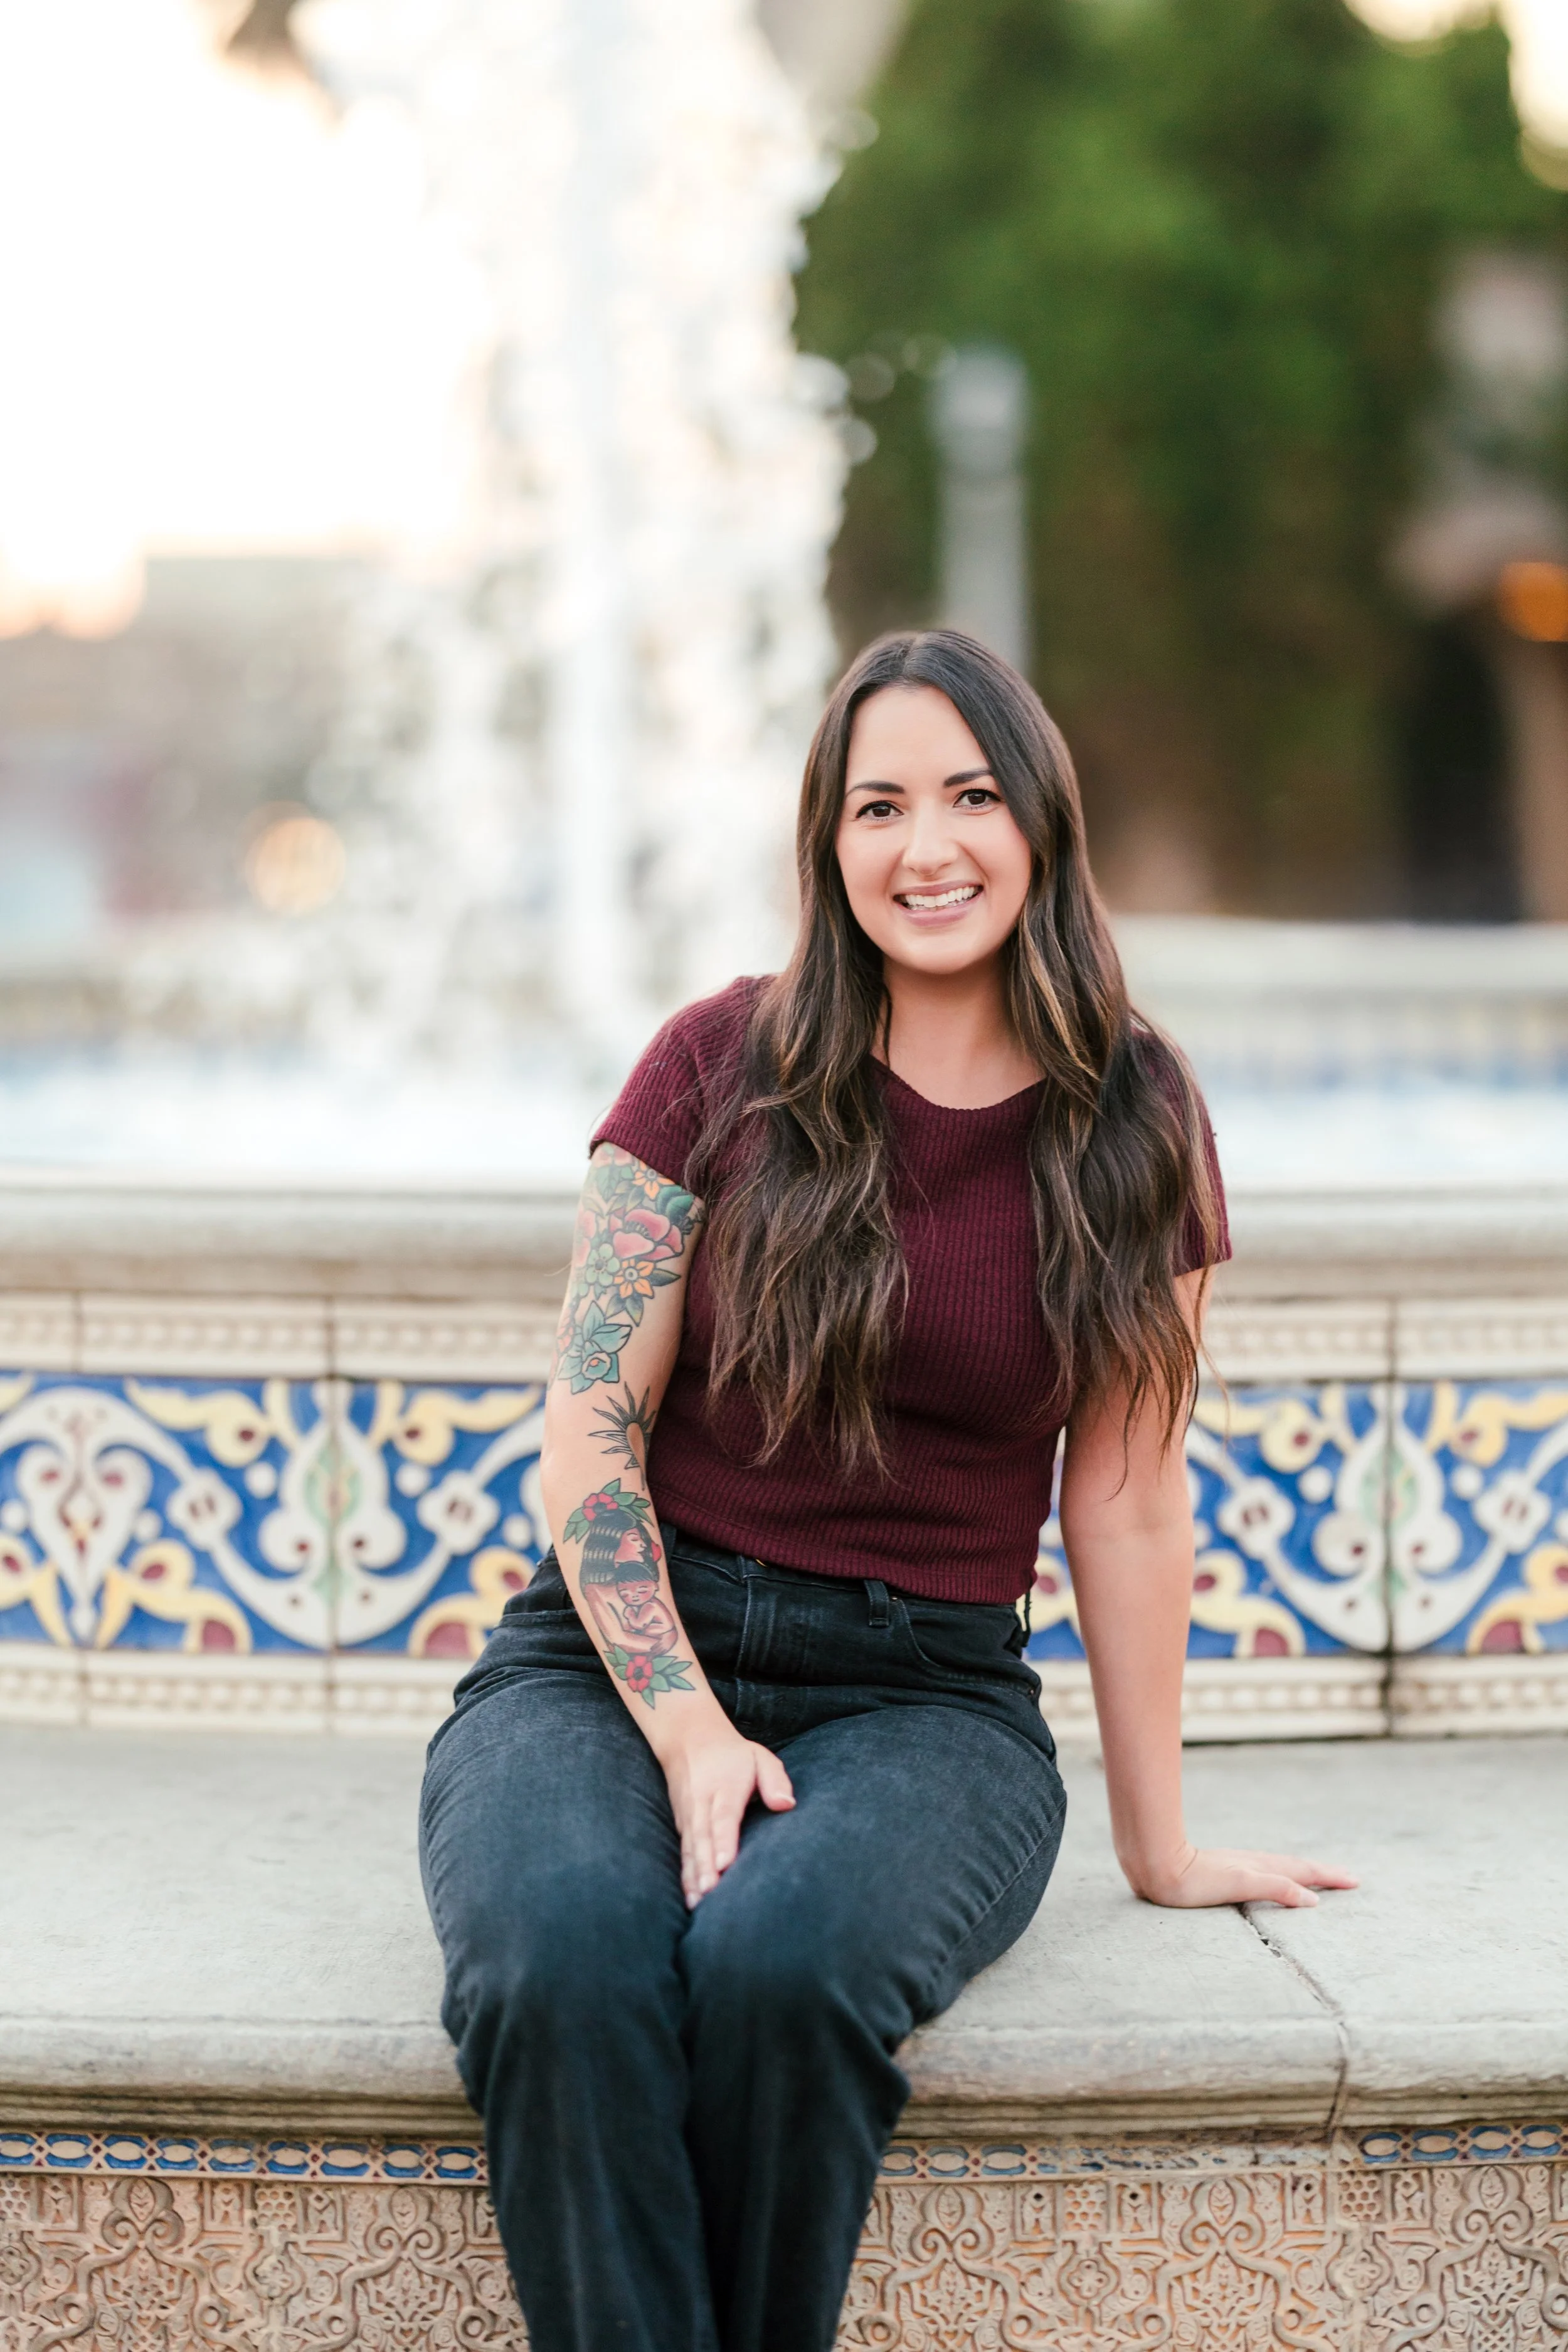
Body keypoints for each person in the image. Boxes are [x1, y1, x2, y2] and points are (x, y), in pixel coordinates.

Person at [419, 630, 1355, 2352]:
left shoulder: (1135, 1115)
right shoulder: (717, 1062)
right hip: (608, 1665)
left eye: (969, 795)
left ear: (1038, 822)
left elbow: (1130, 1503)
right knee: (560, 1965)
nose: (926, 846)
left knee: (783, 1975)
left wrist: (1158, 1845)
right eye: (878, 806)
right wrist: (691, 1726)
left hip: (923, 1696)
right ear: (826, 845)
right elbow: (585, 1432)